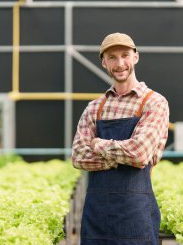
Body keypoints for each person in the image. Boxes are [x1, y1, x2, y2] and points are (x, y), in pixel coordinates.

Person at [72, 32, 169, 245]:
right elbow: (78, 156)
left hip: (136, 215)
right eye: (112, 57)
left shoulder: (154, 103)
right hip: (96, 217)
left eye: (125, 55)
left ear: (136, 56)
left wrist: (98, 144)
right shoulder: (95, 108)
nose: (120, 63)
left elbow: (140, 153)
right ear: (104, 63)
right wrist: (120, 157)